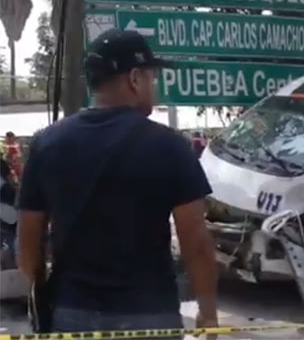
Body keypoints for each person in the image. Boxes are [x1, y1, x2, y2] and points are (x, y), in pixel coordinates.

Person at [17, 29, 218, 332]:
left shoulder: (47, 144)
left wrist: (43, 294)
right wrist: (208, 311)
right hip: (150, 317)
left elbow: (28, 245)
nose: (155, 86)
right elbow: (197, 244)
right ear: (135, 79)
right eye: (152, 77)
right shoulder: (169, 146)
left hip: (72, 315)